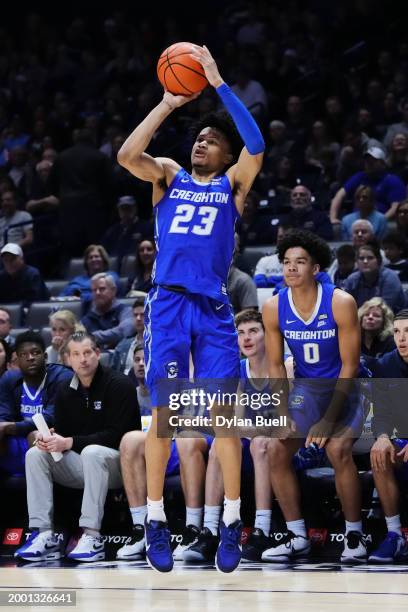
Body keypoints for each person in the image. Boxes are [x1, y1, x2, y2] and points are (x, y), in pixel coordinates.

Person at [117, 44, 264, 573]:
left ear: (227, 156)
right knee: (165, 416)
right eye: (199, 138)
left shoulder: (232, 186)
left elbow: (258, 143)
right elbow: (127, 156)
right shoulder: (170, 176)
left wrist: (219, 82)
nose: (202, 143)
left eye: (211, 140)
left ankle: (230, 518)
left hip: (215, 308)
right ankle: (155, 517)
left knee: (223, 416)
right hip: (170, 306)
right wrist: (166, 105)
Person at [262, 229, 367, 564]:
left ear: (316, 268)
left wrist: (326, 420)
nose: (290, 269)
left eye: (300, 262)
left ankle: (354, 535)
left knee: (337, 449)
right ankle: (297, 536)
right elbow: (276, 365)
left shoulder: (340, 302)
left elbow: (350, 365)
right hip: (307, 389)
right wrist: (282, 413)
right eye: (286, 263)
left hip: (347, 387)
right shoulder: (274, 306)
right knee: (275, 448)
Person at [14, 331, 140, 562]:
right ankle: (44, 535)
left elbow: (117, 436)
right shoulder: (64, 390)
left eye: (87, 352)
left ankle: (92, 536)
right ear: (68, 359)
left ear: (98, 354)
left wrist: (69, 442)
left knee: (93, 453)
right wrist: (52, 439)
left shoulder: (119, 384)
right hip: (82, 465)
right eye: (76, 354)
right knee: (35, 454)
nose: (82, 359)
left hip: (121, 468)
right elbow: (65, 434)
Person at [117, 344, 211, 561]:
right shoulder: (168, 365)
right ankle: (143, 529)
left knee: (187, 437)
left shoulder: (213, 358)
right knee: (130, 441)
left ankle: (193, 529)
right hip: (172, 436)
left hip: (204, 437)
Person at [365, 310, 408, 563]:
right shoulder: (386, 364)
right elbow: (379, 412)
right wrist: (381, 436)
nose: (402, 338)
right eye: (397, 332)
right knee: (379, 453)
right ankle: (395, 535)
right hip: (401, 443)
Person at [0, 331, 72, 478]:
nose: (30, 358)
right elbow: (4, 415)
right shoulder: (9, 379)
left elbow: (51, 418)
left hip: (50, 442)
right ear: (17, 360)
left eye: (35, 353)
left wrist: (10, 427)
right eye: (23, 355)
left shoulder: (63, 377)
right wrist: (4, 426)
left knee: (37, 435)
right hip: (15, 440)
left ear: (45, 356)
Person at [330, 146, 406, 223]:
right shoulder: (359, 177)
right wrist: (333, 218)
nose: (369, 163)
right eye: (367, 160)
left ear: (383, 163)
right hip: (356, 222)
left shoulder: (392, 180)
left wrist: (378, 222)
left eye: (373, 160)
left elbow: (396, 207)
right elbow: (339, 195)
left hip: (382, 221)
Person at [344, 242, 405, 312]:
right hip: (362, 319)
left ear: (378, 261)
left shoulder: (390, 278)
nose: (365, 261)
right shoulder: (352, 280)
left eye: (370, 258)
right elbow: (345, 306)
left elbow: (384, 309)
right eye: (361, 258)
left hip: (397, 318)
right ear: (357, 262)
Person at [81, 273, 133, 349]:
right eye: (94, 290)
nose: (97, 293)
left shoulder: (125, 311)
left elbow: (123, 331)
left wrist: (91, 337)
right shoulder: (88, 317)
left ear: (113, 290)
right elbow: (77, 337)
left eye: (102, 289)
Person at [101, 195, 153, 260]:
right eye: (123, 208)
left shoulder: (146, 227)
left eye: (128, 208)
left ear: (135, 208)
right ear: (118, 210)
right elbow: (104, 252)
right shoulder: (112, 231)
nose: (126, 211)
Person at [110, 297, 145, 373]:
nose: (138, 318)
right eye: (135, 315)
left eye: (143, 315)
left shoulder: (161, 345)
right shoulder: (122, 345)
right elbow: (113, 374)